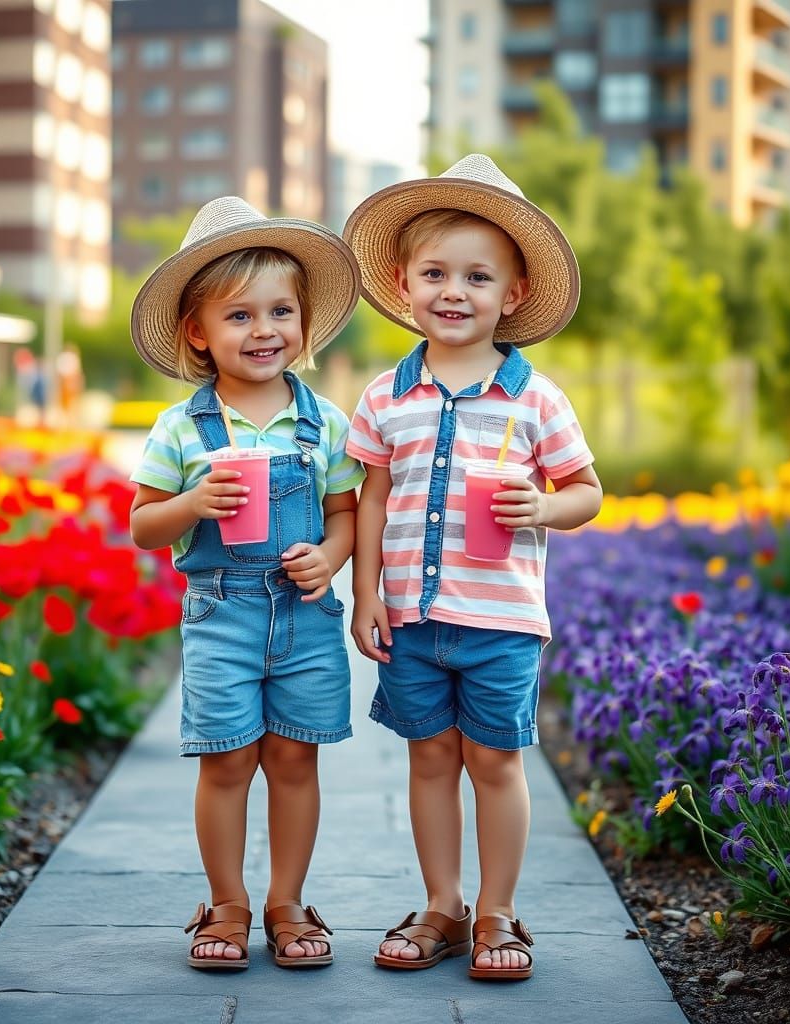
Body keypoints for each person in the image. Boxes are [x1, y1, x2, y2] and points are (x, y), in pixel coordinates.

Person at [344, 154, 603, 981]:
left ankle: (498, 911)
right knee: (429, 758)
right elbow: (371, 498)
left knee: (494, 760)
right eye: (435, 273)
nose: (454, 291)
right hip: (415, 618)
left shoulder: (536, 399)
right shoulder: (387, 394)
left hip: (501, 619)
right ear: (402, 281)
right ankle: (443, 907)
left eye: (478, 277)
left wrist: (545, 507)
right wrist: (367, 596)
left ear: (513, 294)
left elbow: (588, 491)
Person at [127, 196, 365, 971]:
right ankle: (225, 903)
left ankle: (286, 901)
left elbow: (345, 512)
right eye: (239, 316)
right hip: (222, 611)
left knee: (296, 758)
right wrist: (192, 504)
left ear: (303, 322)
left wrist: (331, 556)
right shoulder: (181, 428)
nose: (264, 331)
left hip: (305, 614)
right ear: (198, 332)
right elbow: (143, 525)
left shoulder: (323, 421)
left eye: (281, 312)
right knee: (228, 759)